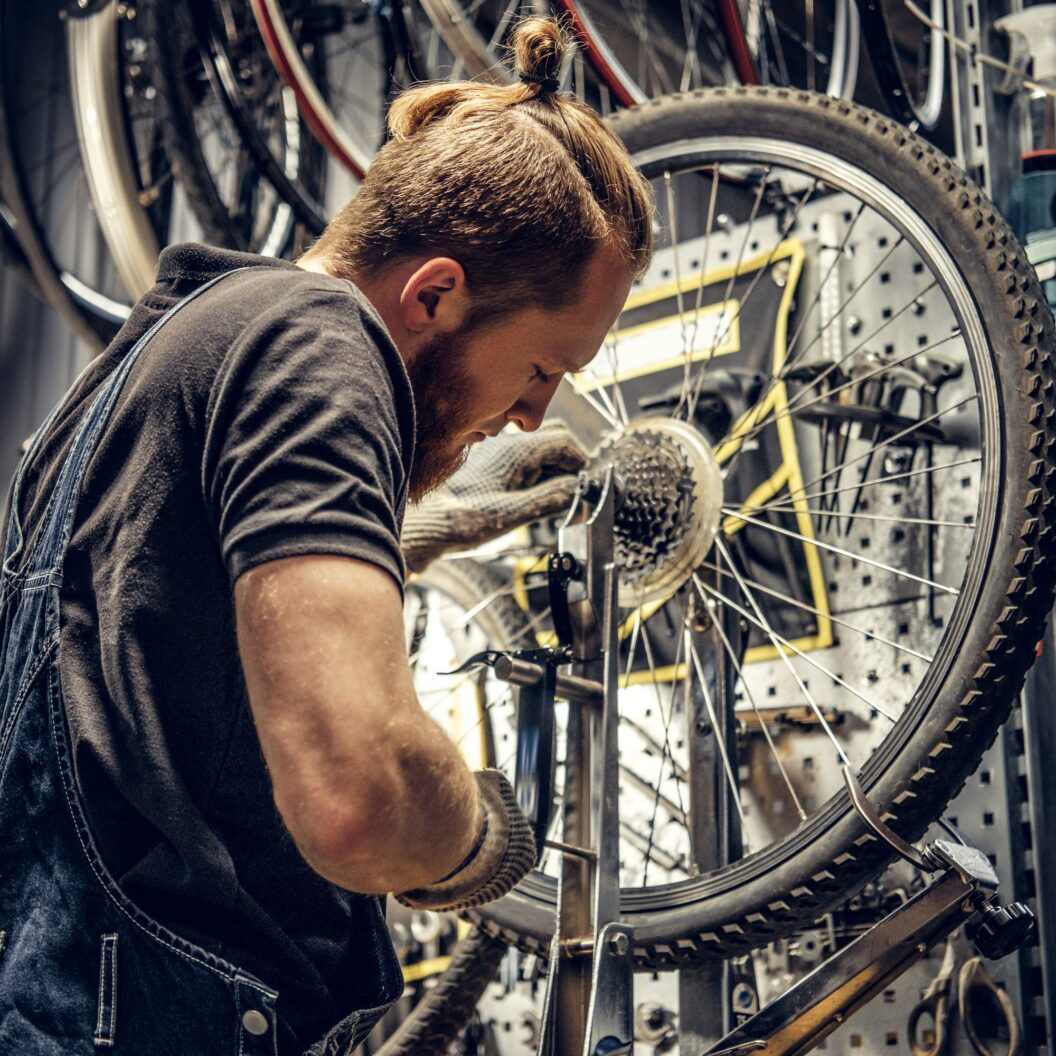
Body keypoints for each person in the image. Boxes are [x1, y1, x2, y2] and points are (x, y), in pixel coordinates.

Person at [0, 16, 653, 1056]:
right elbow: (362, 798)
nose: (531, 415)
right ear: (434, 293)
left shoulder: (156, 359)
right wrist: (475, 832)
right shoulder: (321, 346)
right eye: (540, 371)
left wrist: (446, 523)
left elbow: (179, 625)